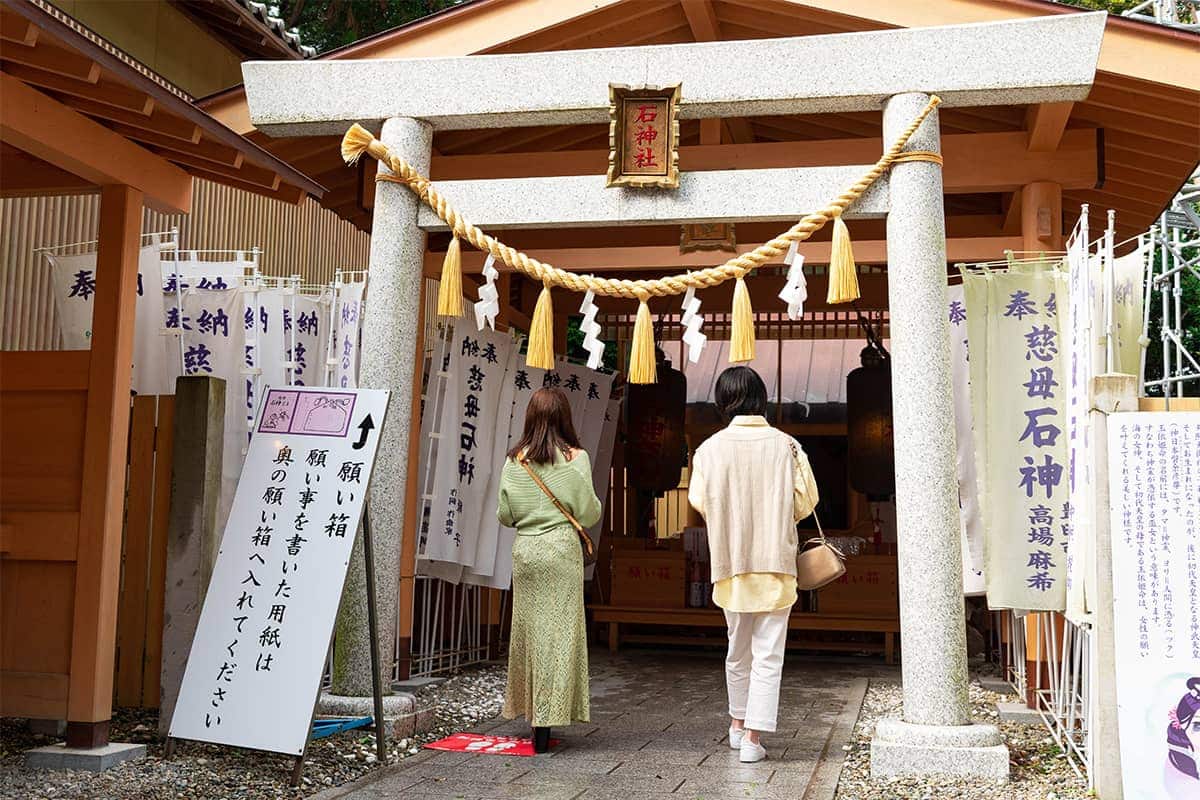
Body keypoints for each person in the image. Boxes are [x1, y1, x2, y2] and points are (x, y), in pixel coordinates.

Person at [687, 366, 819, 763]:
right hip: (775, 561)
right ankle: (753, 739)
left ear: (722, 401)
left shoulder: (709, 449)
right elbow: (807, 501)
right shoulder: (787, 445)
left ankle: (737, 724)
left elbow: (698, 501)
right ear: (761, 398)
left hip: (731, 561)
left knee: (737, 650)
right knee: (768, 654)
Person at [497, 387, 602, 753]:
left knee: (529, 631)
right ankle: (550, 711)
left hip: (527, 551)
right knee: (559, 633)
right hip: (560, 551)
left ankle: (532, 712)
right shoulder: (576, 458)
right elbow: (589, 513)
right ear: (564, 418)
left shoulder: (515, 460)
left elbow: (505, 514)